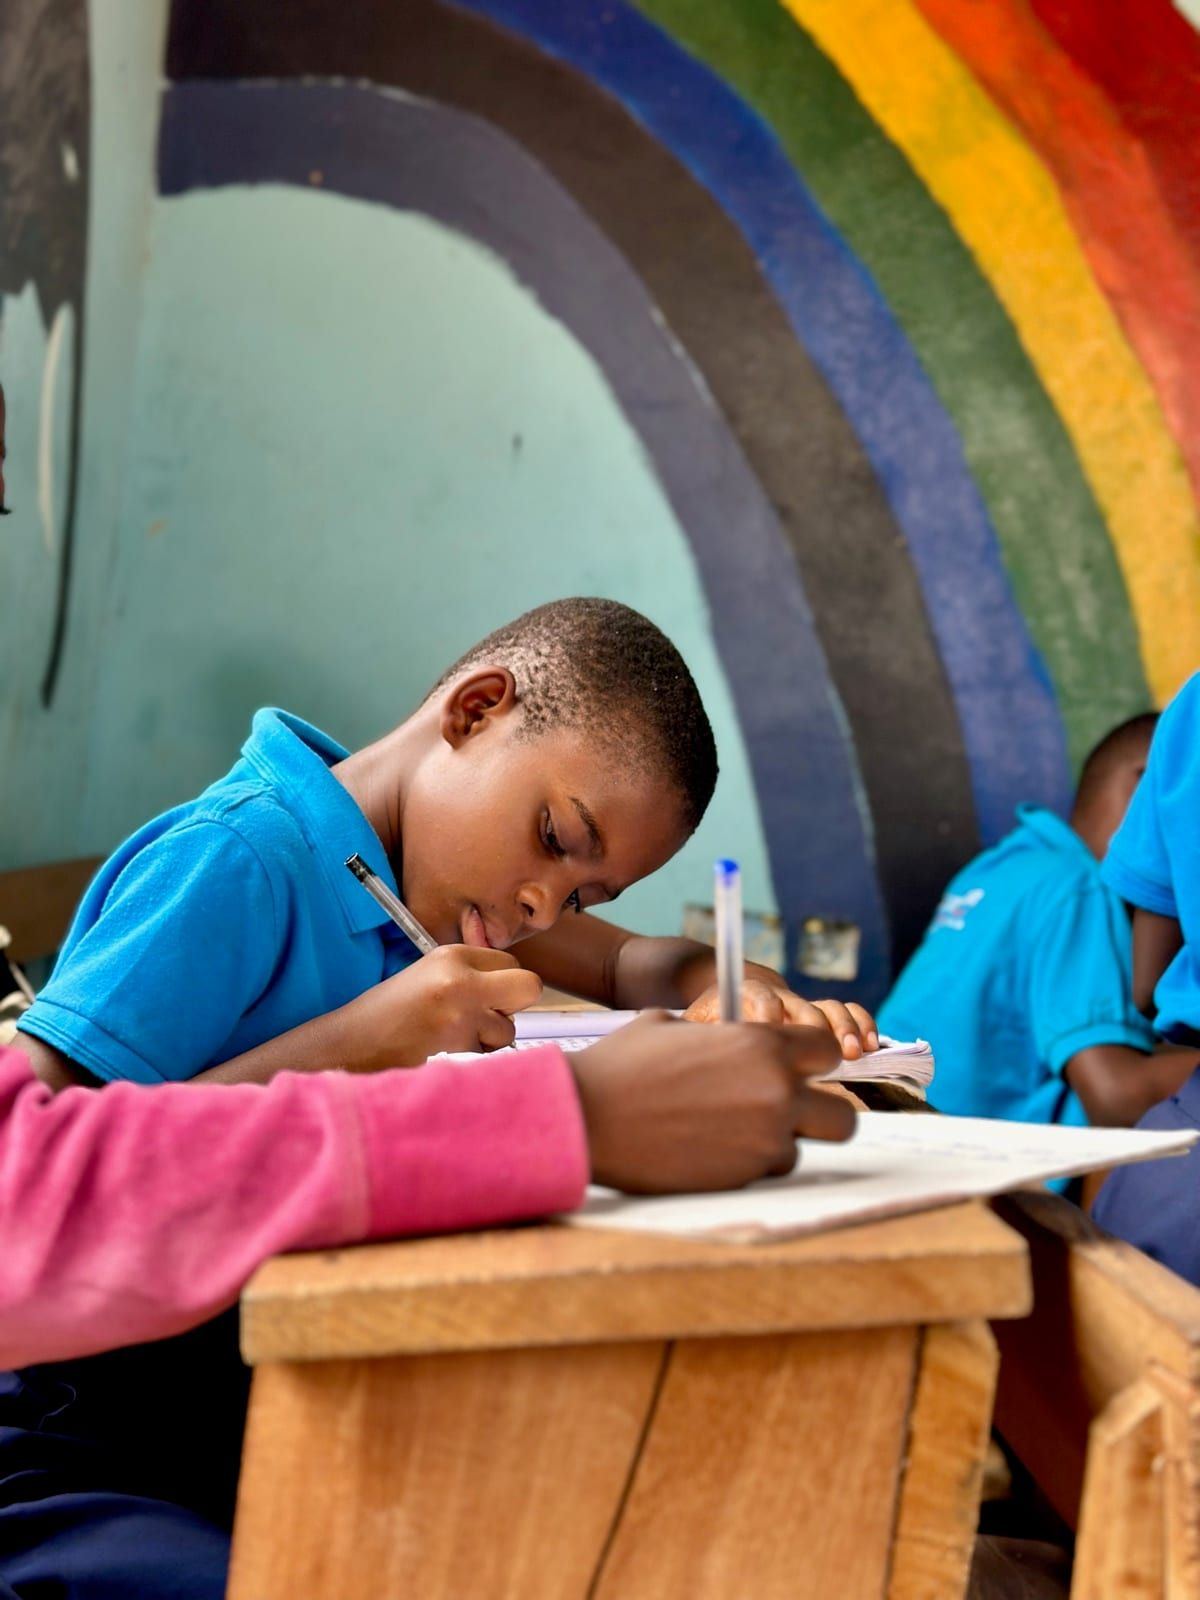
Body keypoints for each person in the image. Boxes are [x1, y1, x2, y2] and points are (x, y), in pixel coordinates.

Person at [15, 598, 875, 1095]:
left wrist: (739, 989)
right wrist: (357, 1043)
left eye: (582, 897)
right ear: (476, 711)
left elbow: (627, 966)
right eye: (555, 838)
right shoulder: (241, 864)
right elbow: (31, 1156)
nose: (546, 908)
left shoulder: (430, 894)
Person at [878, 714, 1197, 1129]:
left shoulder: (1008, 864)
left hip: (888, 1124)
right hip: (953, 1152)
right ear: (1149, 791)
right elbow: (1117, 1096)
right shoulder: (1080, 888)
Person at [1089, 673, 1200, 1281]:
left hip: (1177, 1176)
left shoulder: (1193, 705)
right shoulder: (1066, 889)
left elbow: (1145, 985)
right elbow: (1112, 1091)